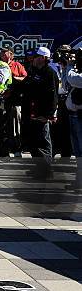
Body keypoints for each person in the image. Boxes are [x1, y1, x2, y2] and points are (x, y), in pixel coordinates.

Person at [24, 47, 59, 179]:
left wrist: (49, 115)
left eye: (37, 56)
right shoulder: (32, 71)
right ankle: (38, 169)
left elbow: (53, 96)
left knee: (43, 141)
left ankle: (47, 171)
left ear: (44, 58)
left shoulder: (50, 73)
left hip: (42, 114)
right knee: (33, 143)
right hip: (31, 112)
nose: (34, 59)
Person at [1, 47, 27, 157]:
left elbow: (25, 78)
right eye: (1, 52)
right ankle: (4, 150)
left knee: (16, 126)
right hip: (1, 101)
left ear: (11, 54)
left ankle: (17, 149)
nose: (1, 54)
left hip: (15, 102)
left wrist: (13, 78)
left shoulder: (17, 65)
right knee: (3, 126)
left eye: (4, 52)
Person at [64, 48, 82, 188]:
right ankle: (79, 179)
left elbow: (74, 80)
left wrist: (70, 66)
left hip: (80, 116)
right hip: (74, 114)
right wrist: (66, 66)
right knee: (77, 150)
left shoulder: (76, 74)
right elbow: (66, 84)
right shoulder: (76, 71)